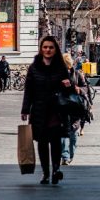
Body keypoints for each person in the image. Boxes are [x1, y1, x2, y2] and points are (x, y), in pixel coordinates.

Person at [21, 36, 73, 185]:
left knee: (55, 142)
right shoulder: (34, 67)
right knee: (42, 143)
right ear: (41, 49)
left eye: (51, 47)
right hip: (39, 110)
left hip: (56, 111)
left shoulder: (61, 67)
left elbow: (69, 89)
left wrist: (68, 84)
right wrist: (25, 109)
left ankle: (56, 170)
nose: (48, 50)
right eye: (45, 47)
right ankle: (45, 173)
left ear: (55, 49)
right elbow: (28, 90)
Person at [60, 54, 81, 166]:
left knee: (74, 136)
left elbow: (85, 87)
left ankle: (70, 155)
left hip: (75, 109)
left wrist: (80, 90)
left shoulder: (77, 74)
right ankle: (65, 156)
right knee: (63, 134)